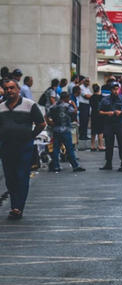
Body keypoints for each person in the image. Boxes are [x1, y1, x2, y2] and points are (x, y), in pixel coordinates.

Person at [0, 78, 46, 220]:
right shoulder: (1, 107)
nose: (9, 91)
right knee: (10, 177)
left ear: (18, 89)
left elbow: (41, 124)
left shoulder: (29, 105)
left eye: (12, 88)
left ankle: (18, 207)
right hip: (6, 147)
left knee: (21, 176)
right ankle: (15, 205)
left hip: (24, 146)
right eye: (6, 88)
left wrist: (31, 136)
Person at [47, 92, 86, 173]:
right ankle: (75, 166)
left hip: (56, 129)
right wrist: (74, 104)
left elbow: (46, 115)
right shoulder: (67, 106)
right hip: (65, 129)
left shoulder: (53, 106)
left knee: (56, 149)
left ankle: (56, 166)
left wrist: (49, 122)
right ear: (66, 98)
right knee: (69, 149)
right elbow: (75, 112)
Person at [98, 83, 122, 170]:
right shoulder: (105, 99)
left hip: (119, 123)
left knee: (121, 144)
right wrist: (107, 113)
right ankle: (108, 163)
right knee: (109, 144)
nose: (116, 91)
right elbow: (99, 111)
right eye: (114, 89)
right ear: (111, 90)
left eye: (117, 89)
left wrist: (120, 112)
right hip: (108, 123)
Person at [89, 83, 104, 151]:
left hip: (93, 113)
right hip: (100, 114)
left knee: (93, 130)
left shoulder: (91, 97)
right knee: (100, 131)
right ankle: (100, 145)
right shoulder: (101, 97)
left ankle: (92, 145)